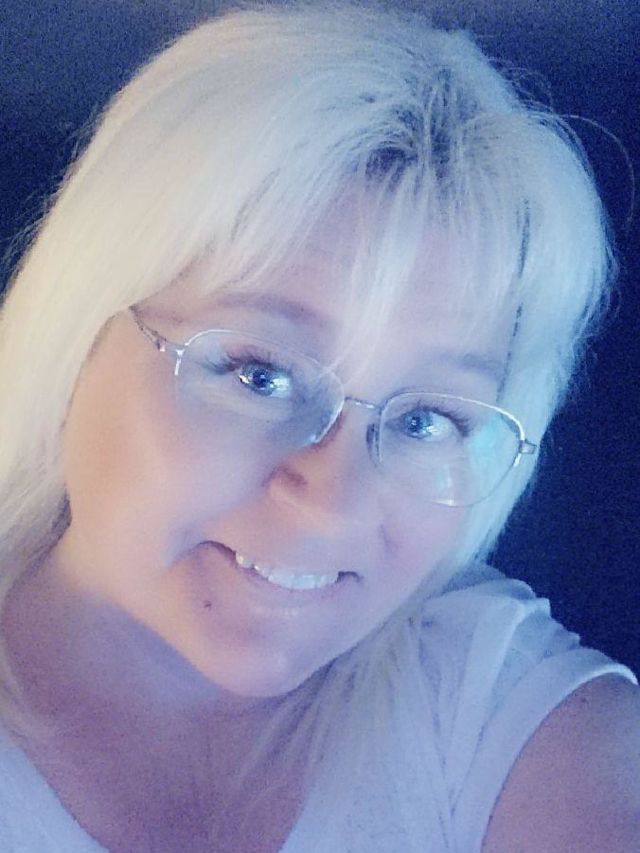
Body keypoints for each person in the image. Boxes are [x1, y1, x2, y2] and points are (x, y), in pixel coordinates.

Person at [0, 2, 637, 851]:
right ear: (79, 335)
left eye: (427, 419)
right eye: (259, 374)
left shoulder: (500, 714)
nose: (334, 500)